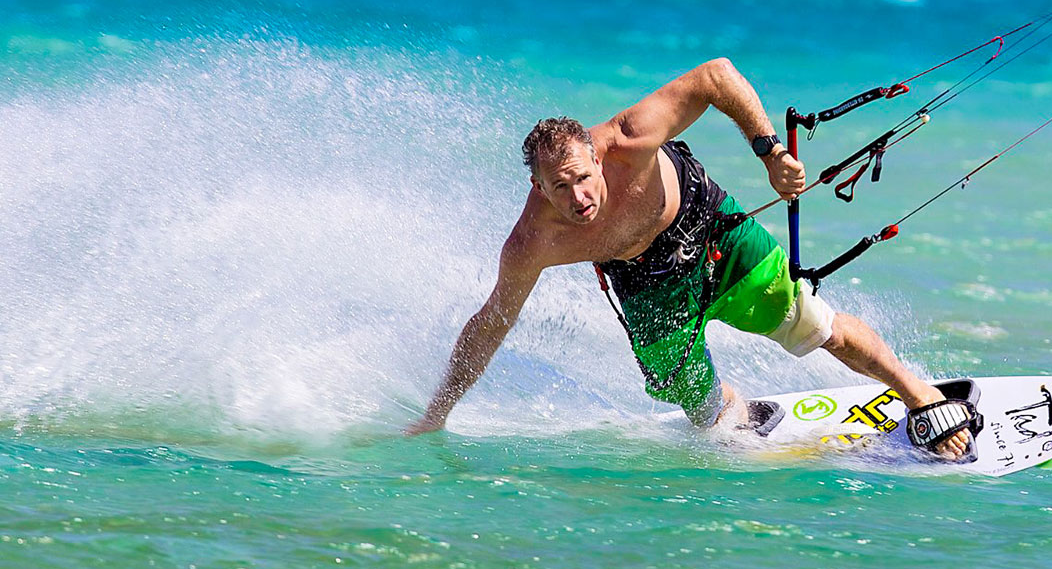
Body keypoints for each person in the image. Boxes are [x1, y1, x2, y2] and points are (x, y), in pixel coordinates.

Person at [406, 58, 971, 458]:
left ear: (598, 159)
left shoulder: (631, 137)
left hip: (706, 228)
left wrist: (770, 152)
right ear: (536, 186)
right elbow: (490, 325)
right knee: (701, 412)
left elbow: (715, 75)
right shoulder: (533, 242)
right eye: (559, 187)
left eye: (582, 177)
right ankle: (739, 411)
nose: (578, 198)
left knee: (812, 324)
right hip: (642, 281)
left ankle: (919, 393)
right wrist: (438, 414)